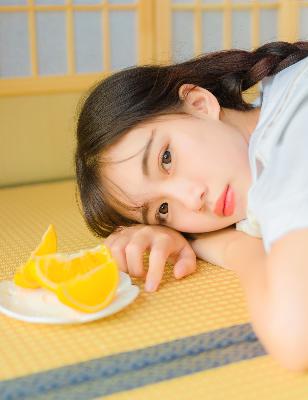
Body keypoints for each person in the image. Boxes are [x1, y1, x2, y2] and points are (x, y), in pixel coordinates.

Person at [75, 40, 308, 371]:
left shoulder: (287, 138)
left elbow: (297, 337)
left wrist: (233, 247)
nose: (191, 200)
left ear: (199, 103)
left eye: (166, 158)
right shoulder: (275, 97)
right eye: (164, 211)